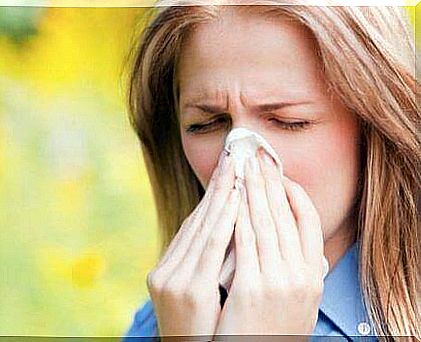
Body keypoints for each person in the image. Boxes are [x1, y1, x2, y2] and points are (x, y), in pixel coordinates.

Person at [122, 0, 420, 340]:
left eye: (288, 122)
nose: (239, 164)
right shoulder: (163, 319)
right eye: (206, 124)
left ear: (376, 125)